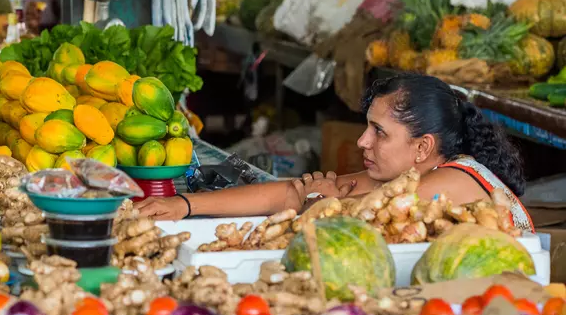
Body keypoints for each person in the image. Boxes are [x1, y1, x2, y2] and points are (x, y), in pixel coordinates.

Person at [138, 74, 532, 233]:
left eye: (379, 132)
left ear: (423, 147)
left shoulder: (454, 181)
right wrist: (183, 205)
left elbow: (345, 214)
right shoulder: (398, 176)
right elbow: (293, 193)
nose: (363, 142)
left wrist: (320, 200)